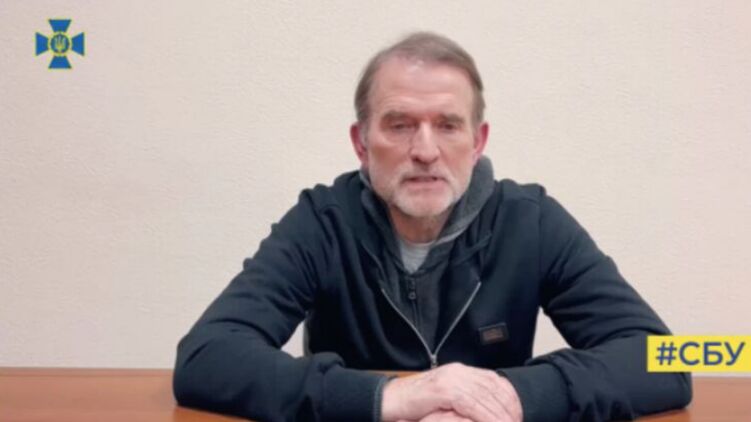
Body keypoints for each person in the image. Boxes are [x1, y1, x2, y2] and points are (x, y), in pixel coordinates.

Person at [173, 32, 691, 422]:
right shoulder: (322, 222)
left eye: (447, 125)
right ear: (360, 143)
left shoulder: (530, 221)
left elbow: (665, 360)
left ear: (477, 141)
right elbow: (206, 358)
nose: (425, 150)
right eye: (400, 125)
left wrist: (510, 398)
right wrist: (392, 397)